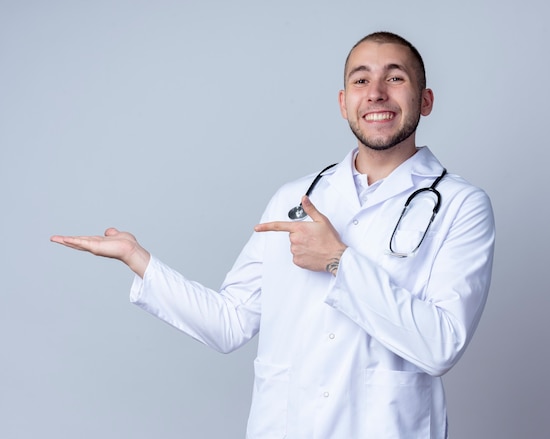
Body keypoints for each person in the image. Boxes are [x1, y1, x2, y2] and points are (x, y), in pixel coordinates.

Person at [51, 31, 495, 439]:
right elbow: (229, 322)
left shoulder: (460, 205)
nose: (376, 92)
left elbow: (441, 346)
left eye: (394, 77)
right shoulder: (293, 198)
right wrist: (138, 258)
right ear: (343, 102)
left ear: (426, 99)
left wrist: (339, 261)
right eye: (361, 81)